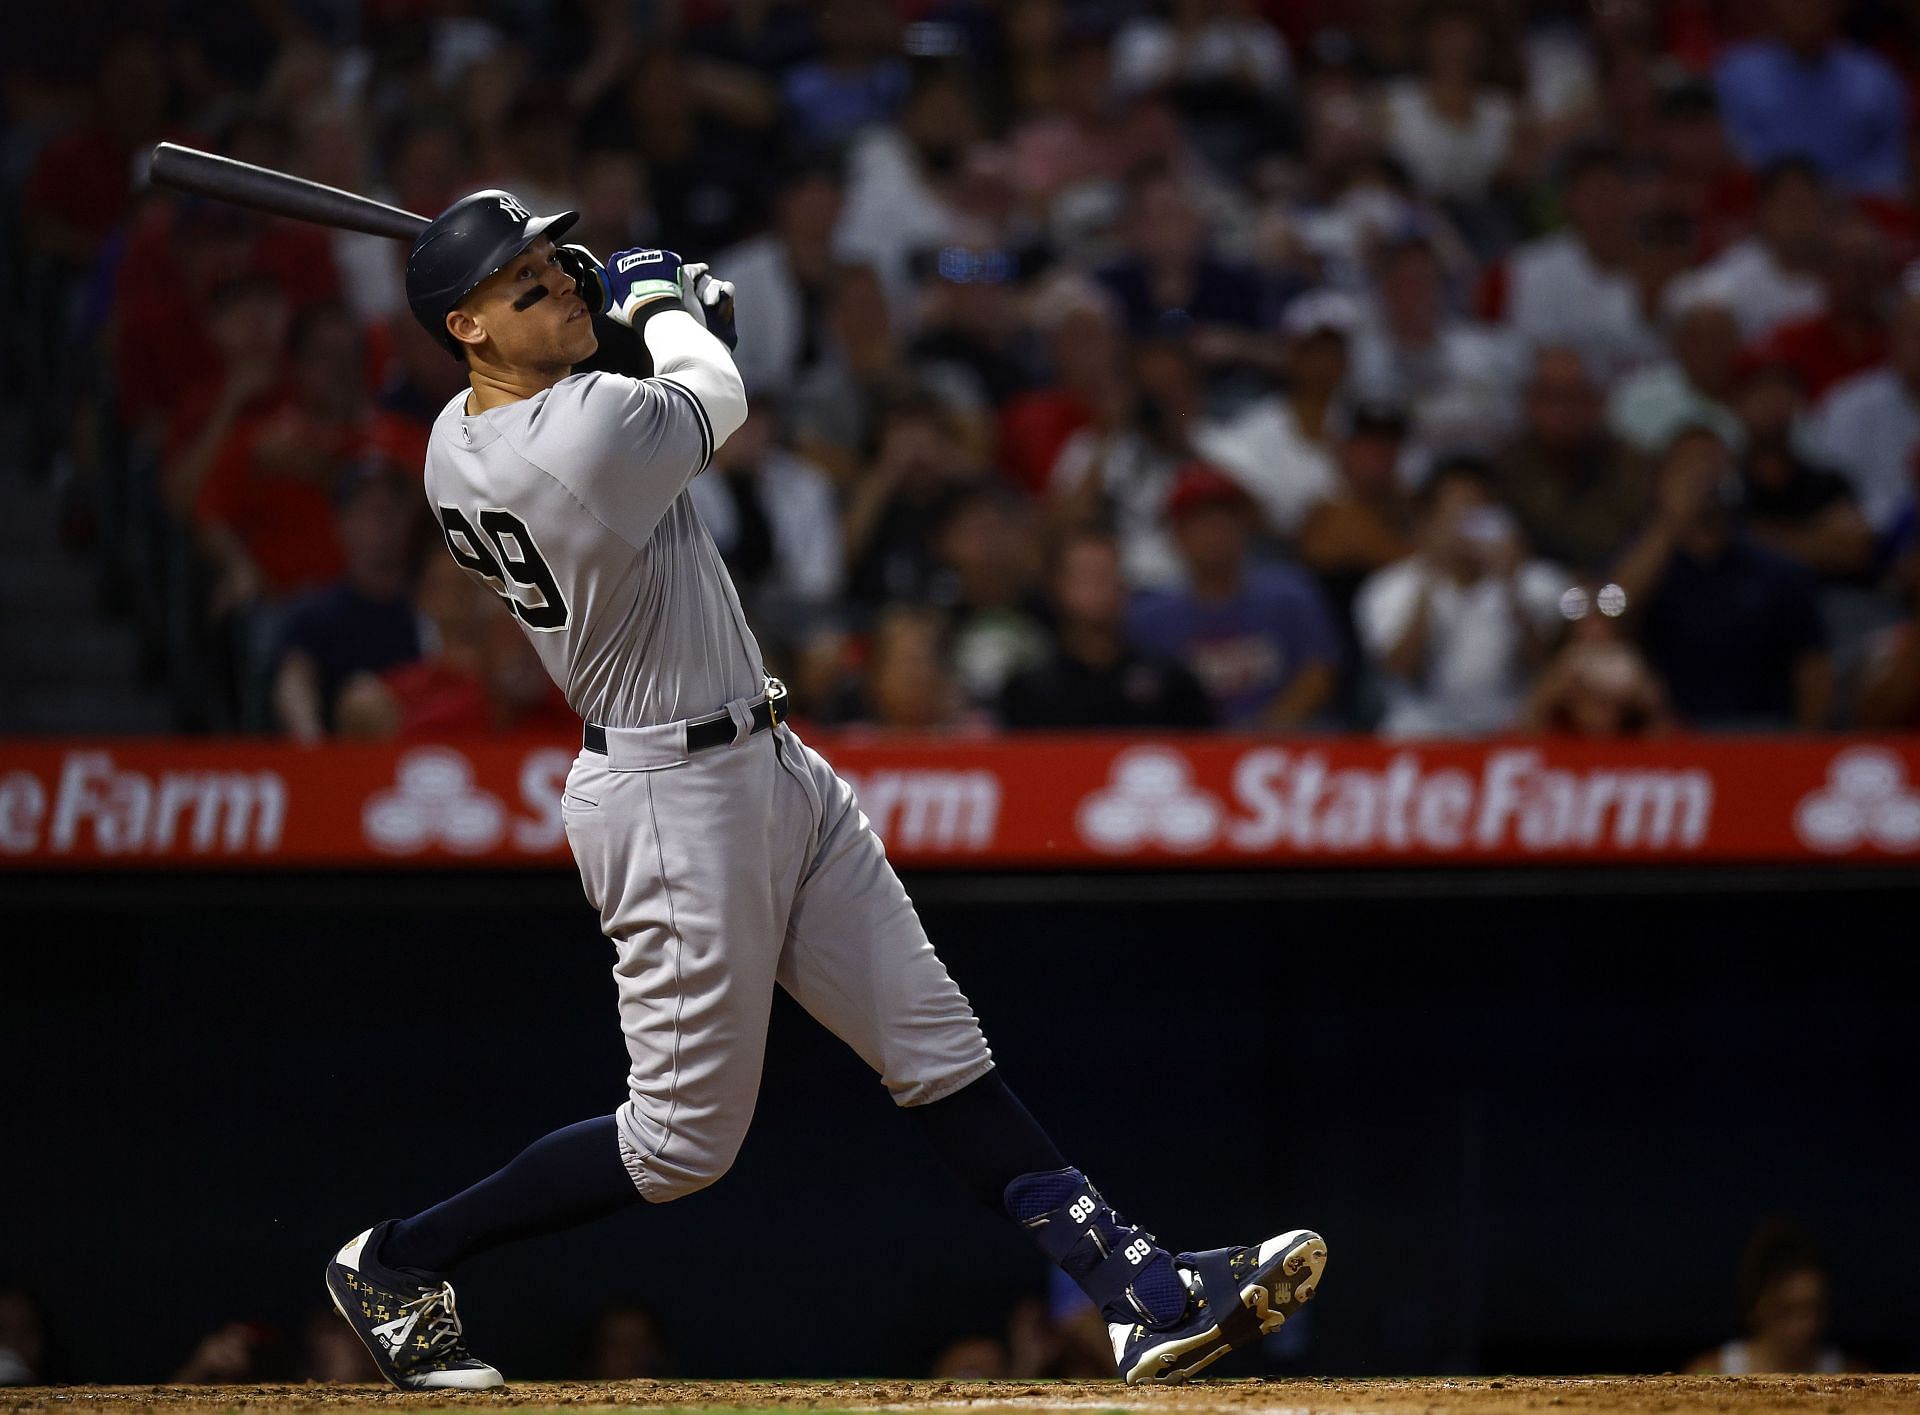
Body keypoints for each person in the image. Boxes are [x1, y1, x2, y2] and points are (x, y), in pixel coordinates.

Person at [320, 188, 1325, 1391]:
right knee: (681, 1143)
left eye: (559, 265)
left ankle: (1146, 1295)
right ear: (467, 331)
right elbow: (715, 397)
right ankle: (397, 1258)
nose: (565, 285)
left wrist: (616, 309)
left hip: (766, 758)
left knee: (937, 1044)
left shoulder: (458, 434)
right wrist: (661, 305)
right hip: (668, 797)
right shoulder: (572, 438)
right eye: (529, 285)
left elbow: (624, 385)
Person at [1610, 426, 1831, 730]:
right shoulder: (1640, 561)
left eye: (1714, 466)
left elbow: (1812, 669)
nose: (1703, 479)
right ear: (1662, 481)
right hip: (1666, 738)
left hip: (1761, 739)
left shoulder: (1778, 572)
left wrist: (1805, 753)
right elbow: (1610, 612)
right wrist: (1669, 521)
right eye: (1688, 469)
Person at [1356, 456, 1571, 738]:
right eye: (1454, 513)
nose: (1463, 527)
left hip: (1509, 730)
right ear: (1426, 522)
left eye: (1475, 512)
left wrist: (1511, 586)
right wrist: (1430, 576)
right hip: (1421, 733)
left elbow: (1549, 666)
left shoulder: (1538, 583)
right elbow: (1403, 670)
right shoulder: (1389, 587)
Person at [1130, 465, 1342, 730]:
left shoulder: (1289, 594)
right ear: (1177, 536)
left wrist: (1260, 733)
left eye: (1221, 518)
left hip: (1284, 747)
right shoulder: (1148, 618)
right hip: (1191, 753)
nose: (1212, 533)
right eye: (1198, 523)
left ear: (1243, 524)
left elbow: (1320, 672)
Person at [271, 462, 428, 744]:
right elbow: (293, 685)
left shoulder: (436, 603)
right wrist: (314, 749)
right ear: (341, 524)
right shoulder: (315, 614)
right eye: (368, 510)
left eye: (392, 509)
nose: (382, 522)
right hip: (348, 756)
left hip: (431, 747)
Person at [999, 526, 1213, 731]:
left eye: (1107, 574)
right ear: (1056, 589)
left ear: (1124, 586)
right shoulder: (1029, 692)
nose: (1098, 587)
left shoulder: (1172, 683)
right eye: (1085, 576)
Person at [1714, 0, 1907, 196]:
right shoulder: (1737, 73)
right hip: (1760, 205)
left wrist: (1838, 198)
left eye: (1817, 4)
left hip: (1854, 211)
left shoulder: (1875, 78)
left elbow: (1890, 166)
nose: (1806, 10)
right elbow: (1730, 155)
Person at [1493, 347, 1655, 578]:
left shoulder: (1631, 466)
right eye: (1550, 396)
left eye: (1574, 397)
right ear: (1530, 402)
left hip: (1616, 591)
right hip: (1532, 591)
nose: (1562, 411)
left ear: (1597, 403)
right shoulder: (1506, 466)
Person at [1808, 289, 1920, 536]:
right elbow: (1834, 497)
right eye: (1916, 333)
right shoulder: (1849, 405)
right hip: (1869, 550)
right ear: (1894, 337)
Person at [1686, 1220, 1860, 1374]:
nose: (1807, 1325)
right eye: (1786, 1310)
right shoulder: (1709, 1374)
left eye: (1814, 1308)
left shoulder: (1853, 1377)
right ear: (1756, 1307)